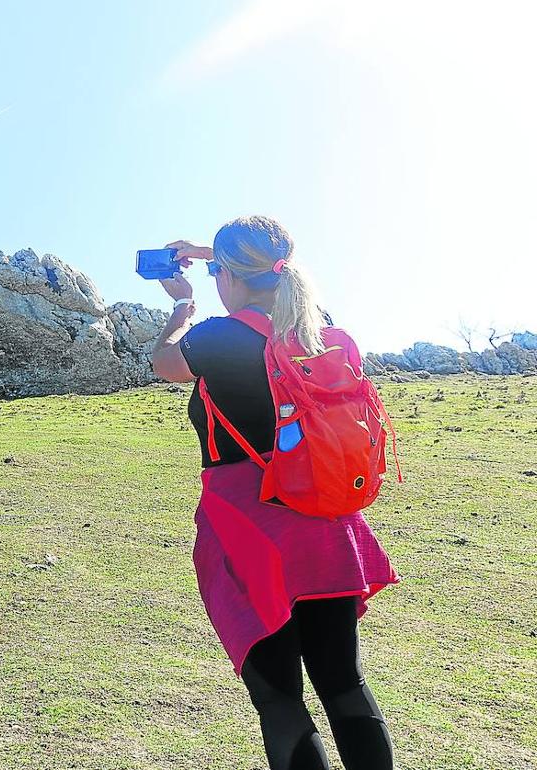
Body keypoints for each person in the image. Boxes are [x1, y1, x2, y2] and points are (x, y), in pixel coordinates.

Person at [149, 216, 401, 770]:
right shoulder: (316, 332)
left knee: (280, 699)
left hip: (250, 530)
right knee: (343, 684)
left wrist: (181, 308)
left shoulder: (217, 336)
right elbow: (277, 280)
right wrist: (216, 254)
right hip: (326, 524)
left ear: (229, 278)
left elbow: (166, 363)